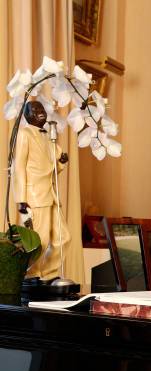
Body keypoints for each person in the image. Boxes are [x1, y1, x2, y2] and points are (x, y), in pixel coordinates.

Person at [12, 100, 70, 280]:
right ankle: (32, 275)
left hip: (51, 193)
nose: (40, 111)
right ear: (27, 115)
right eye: (34, 109)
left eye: (41, 108)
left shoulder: (49, 136)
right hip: (35, 195)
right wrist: (21, 198)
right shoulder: (24, 134)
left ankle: (48, 274)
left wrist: (61, 163)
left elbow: (52, 166)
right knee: (40, 241)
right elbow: (19, 167)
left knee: (63, 238)